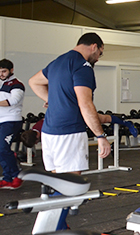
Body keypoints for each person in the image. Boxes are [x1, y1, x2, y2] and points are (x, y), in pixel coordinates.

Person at [29, 33, 111, 175]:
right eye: (100, 53)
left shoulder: (57, 62)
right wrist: (100, 136)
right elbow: (85, 104)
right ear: (94, 47)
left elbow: (34, 82)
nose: (98, 58)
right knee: (72, 182)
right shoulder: (83, 66)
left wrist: (55, 100)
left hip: (48, 132)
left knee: (57, 179)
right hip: (69, 131)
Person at [0, 59, 25, 190]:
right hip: (1, 120)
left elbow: (13, 100)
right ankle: (7, 178)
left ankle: (16, 175)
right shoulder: (1, 84)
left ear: (11, 70)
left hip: (11, 121)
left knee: (2, 149)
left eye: (4, 71)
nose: (1, 74)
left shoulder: (17, 84)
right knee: (1, 150)